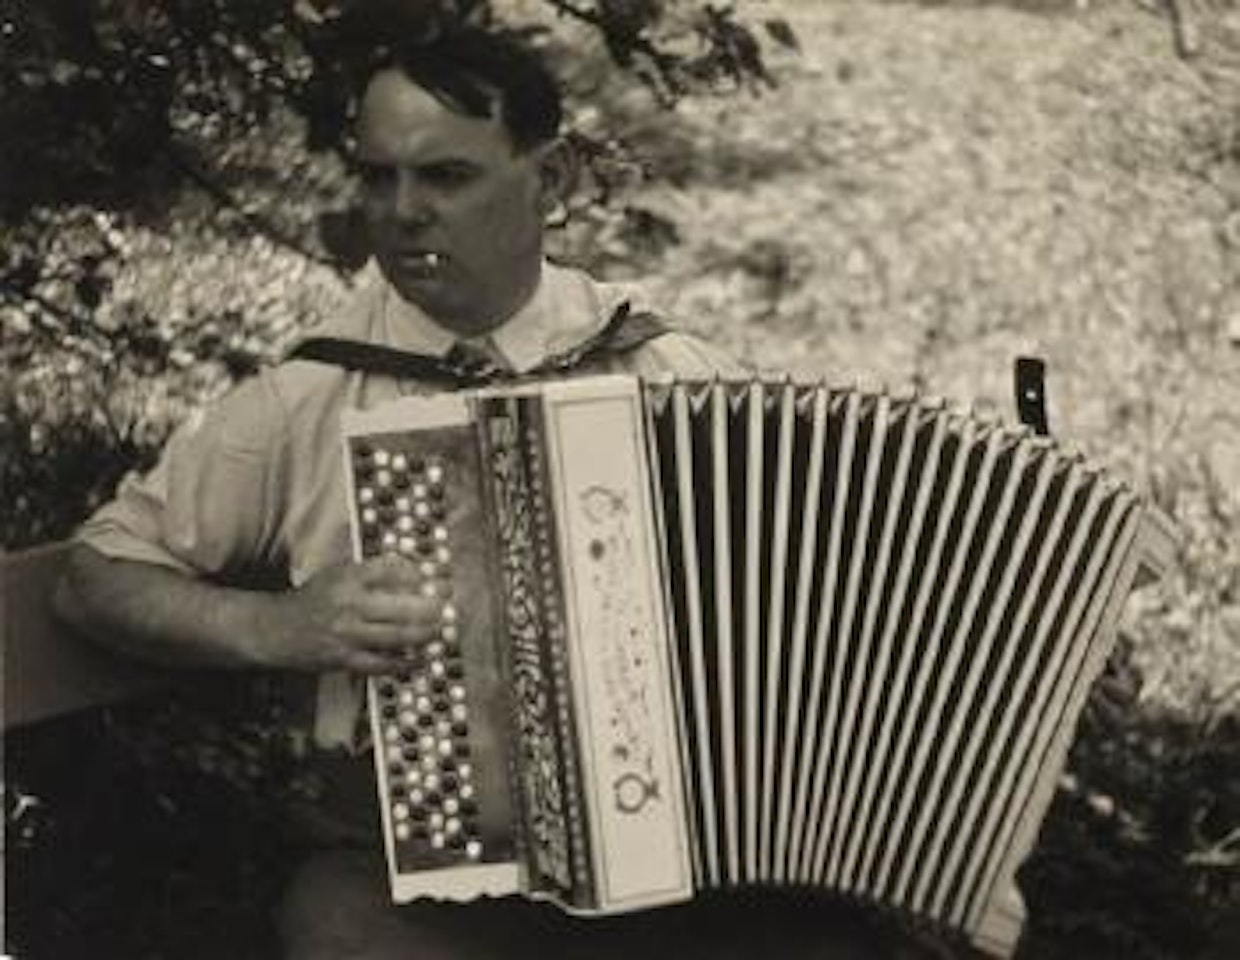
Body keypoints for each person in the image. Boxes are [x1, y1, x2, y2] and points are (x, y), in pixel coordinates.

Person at [55, 27, 936, 960]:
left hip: (697, 867)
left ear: (548, 183)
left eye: (446, 177)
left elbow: (826, 577)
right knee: (340, 931)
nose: (402, 212)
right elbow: (95, 574)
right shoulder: (313, 394)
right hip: (433, 885)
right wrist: (274, 627)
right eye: (378, 176)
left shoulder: (661, 364)